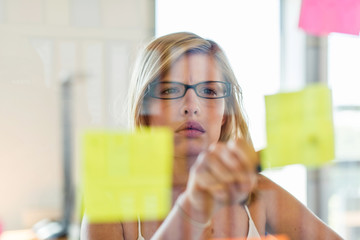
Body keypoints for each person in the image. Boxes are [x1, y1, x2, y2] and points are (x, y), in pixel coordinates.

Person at [81, 32, 342, 240]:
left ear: (225, 114)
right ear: (144, 111)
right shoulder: (111, 201)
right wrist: (194, 207)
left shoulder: (259, 193)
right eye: (171, 90)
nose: (191, 105)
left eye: (209, 91)